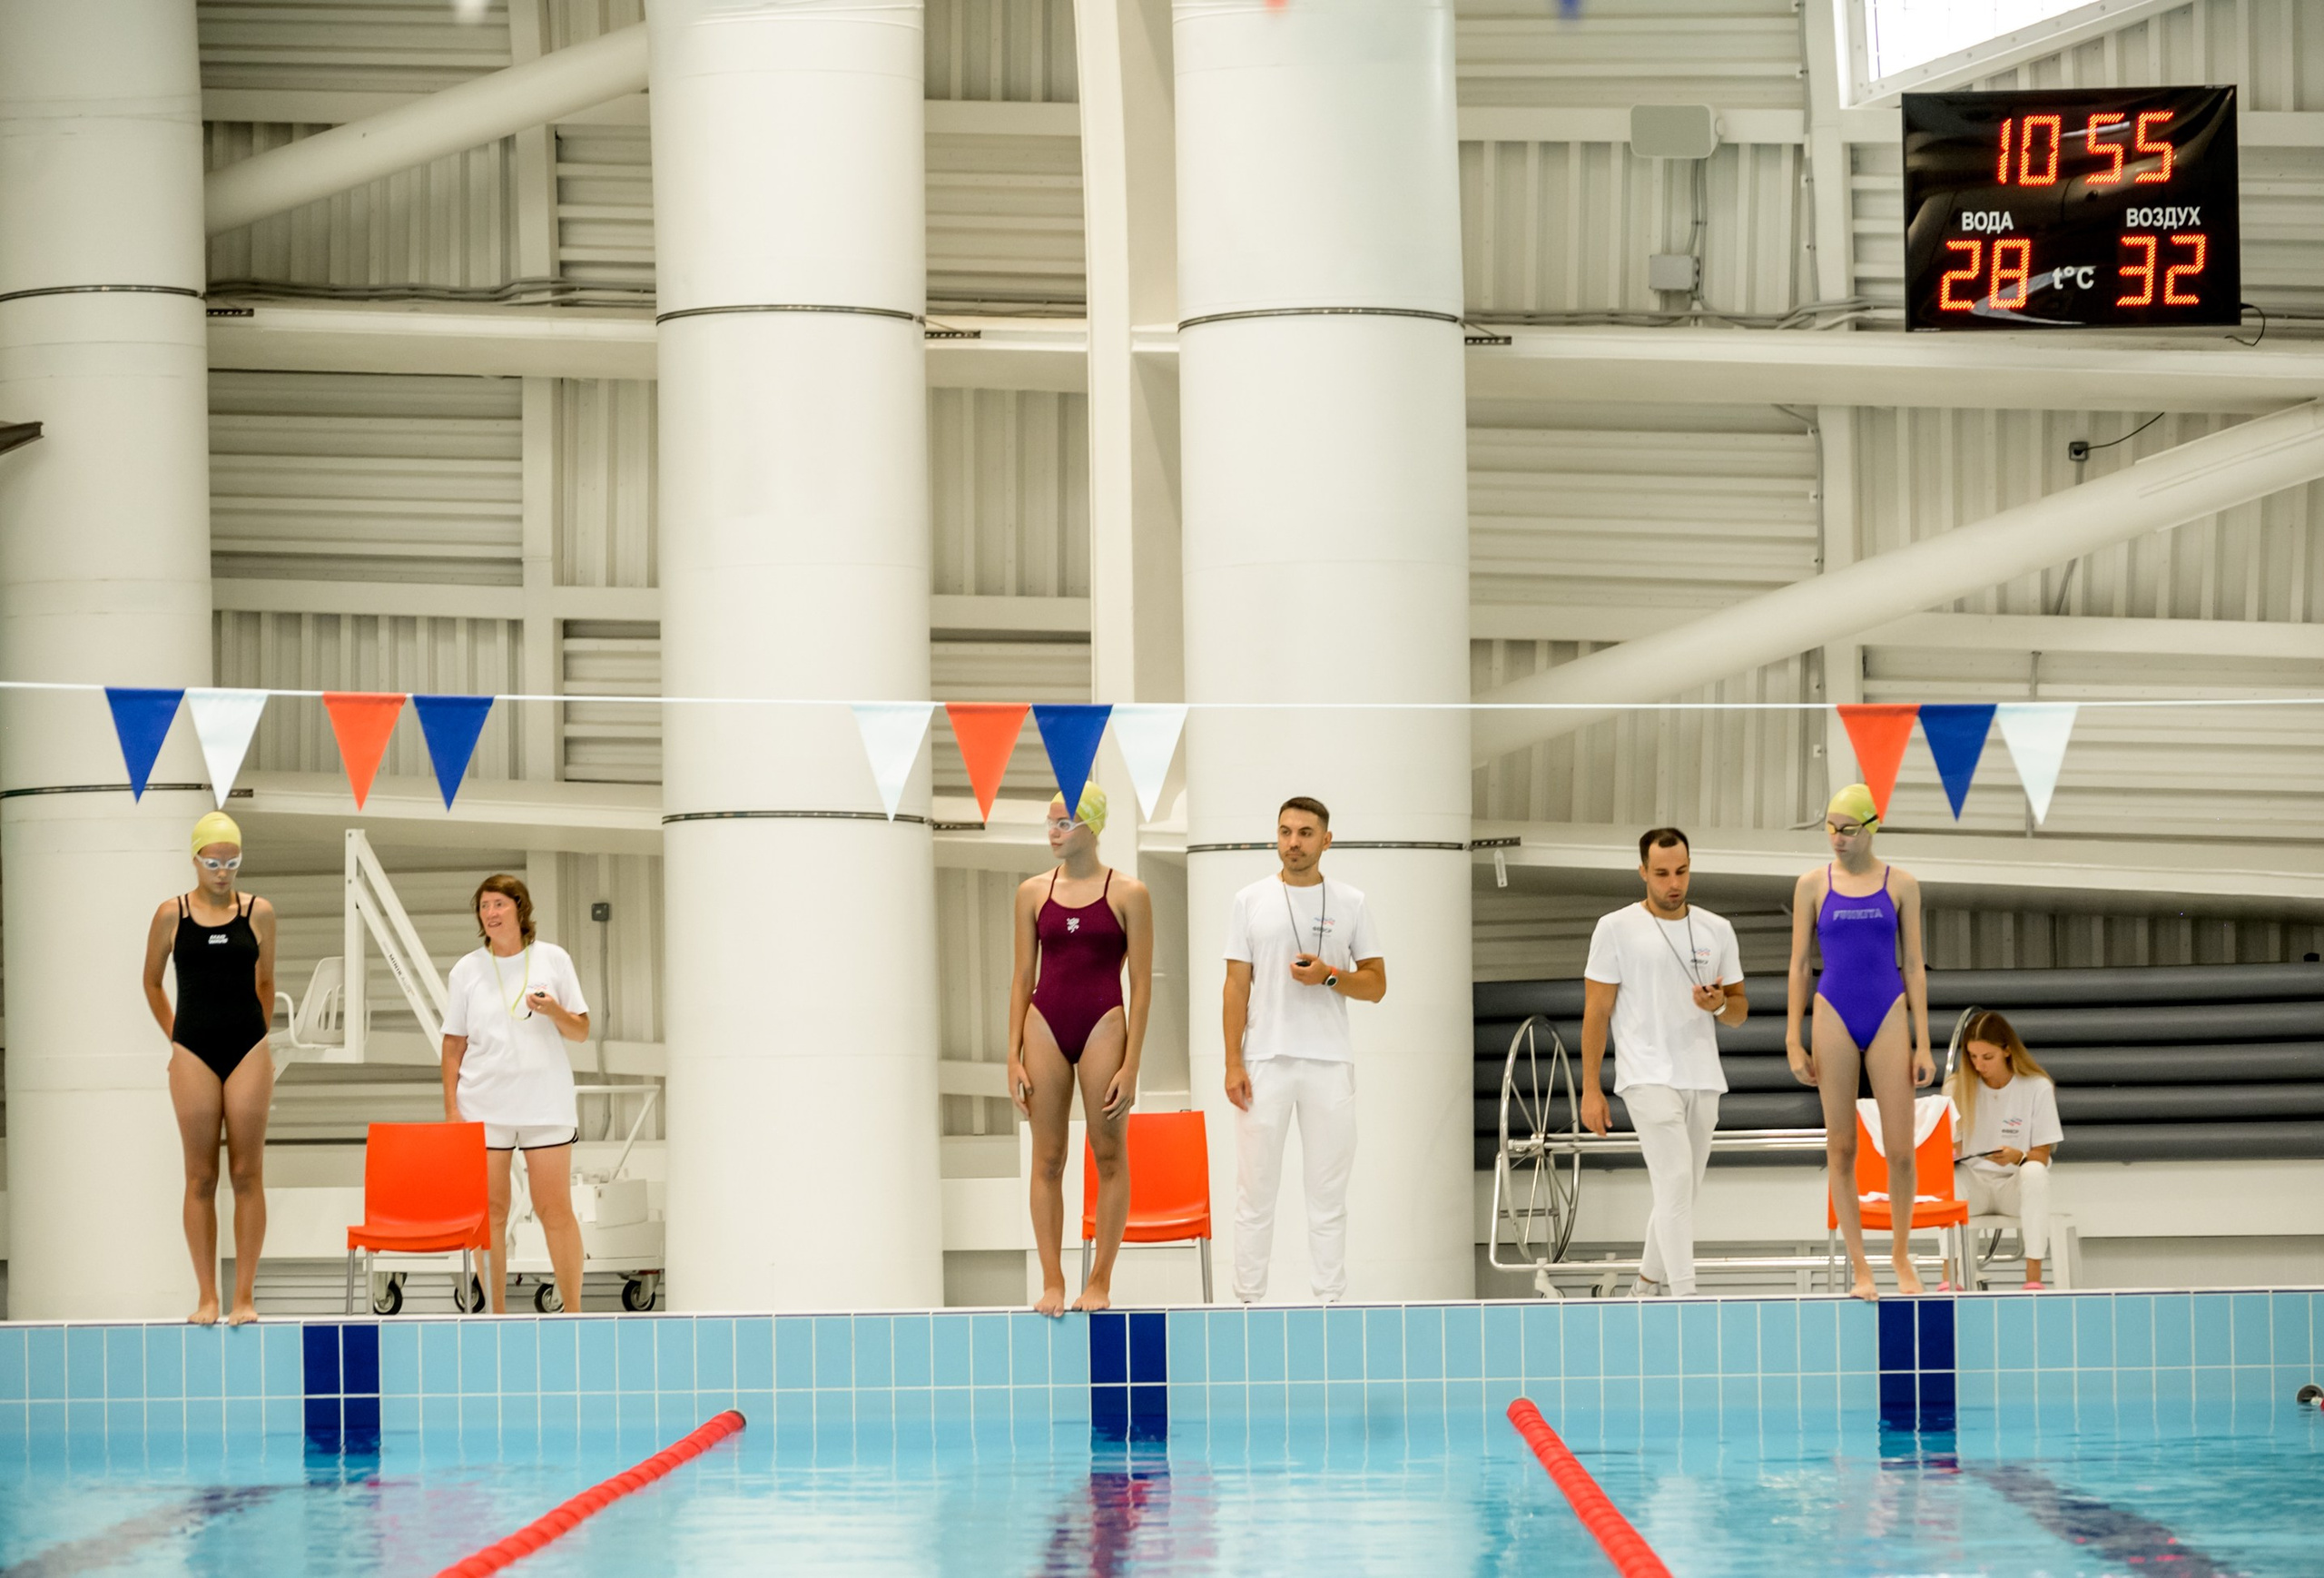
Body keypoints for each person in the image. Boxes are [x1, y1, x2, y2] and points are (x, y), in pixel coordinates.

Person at [1221, 796, 1386, 1304]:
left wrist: (1330, 976)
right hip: (1263, 1061)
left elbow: (1376, 985)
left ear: (1326, 841)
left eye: (1306, 833)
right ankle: (1247, 1303)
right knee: (1254, 1193)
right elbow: (1235, 986)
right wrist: (1232, 1062)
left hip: (1329, 1063)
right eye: (1286, 832)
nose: (1294, 842)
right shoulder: (1249, 900)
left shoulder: (1351, 902)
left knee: (1328, 1196)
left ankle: (1330, 1302)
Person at [1008, 785, 1155, 1318]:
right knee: (1047, 1159)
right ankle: (1052, 1280)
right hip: (1044, 1023)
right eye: (1050, 822)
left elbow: (1142, 985)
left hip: (1104, 1024)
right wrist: (1012, 1054)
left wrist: (1132, 1065)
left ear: (1092, 827)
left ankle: (1100, 1279)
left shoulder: (1129, 893)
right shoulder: (1032, 892)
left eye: (1064, 823)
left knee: (1109, 1154)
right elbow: (1022, 976)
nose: (1053, 832)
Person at [1581, 828, 1748, 1297]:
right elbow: (1596, 1012)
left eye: (1681, 871)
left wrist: (1718, 1004)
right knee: (1674, 1180)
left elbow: (1738, 1012)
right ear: (1642, 872)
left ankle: (1644, 1285)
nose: (1673, 883)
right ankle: (1685, 1297)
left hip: (1703, 1075)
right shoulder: (1615, 928)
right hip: (1645, 1073)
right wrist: (1591, 1088)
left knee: (1682, 1192)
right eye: (1661, 873)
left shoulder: (1717, 929)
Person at [1786, 783, 1935, 1301]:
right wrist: (1793, 1038)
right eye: (1830, 827)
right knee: (1842, 1147)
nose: (1837, 837)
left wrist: (1923, 1042)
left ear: (1871, 827)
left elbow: (1913, 965)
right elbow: (1799, 965)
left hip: (1888, 1011)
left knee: (1901, 1151)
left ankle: (1899, 1254)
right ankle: (1861, 1267)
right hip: (1833, 1012)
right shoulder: (1811, 885)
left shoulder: (1902, 884)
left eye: (1847, 829)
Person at [142, 811, 277, 1326]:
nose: (223, 872)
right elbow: (152, 982)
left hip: (248, 1049)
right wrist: (177, 1039)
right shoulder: (171, 915)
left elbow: (266, 983)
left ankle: (243, 1297)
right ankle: (207, 1297)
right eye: (213, 862)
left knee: (246, 1173)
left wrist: (257, 1039)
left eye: (232, 862)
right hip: (193, 1051)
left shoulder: (259, 913)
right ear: (195, 859)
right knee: (200, 1176)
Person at [440, 874, 588, 1316]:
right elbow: (453, 1043)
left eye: (499, 904)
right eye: (484, 905)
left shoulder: (553, 959)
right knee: (491, 1212)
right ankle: (497, 1315)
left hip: (545, 1105)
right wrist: (452, 1109)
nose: (490, 912)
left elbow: (581, 1031)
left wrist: (554, 1009)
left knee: (554, 1209)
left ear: (520, 908)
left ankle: (576, 1313)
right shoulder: (466, 970)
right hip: (484, 1106)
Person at [1949, 1010, 2062, 1289]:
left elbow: (2042, 1154)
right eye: (1973, 1057)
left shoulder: (2037, 1087)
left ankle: (2033, 1278)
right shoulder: (1957, 1086)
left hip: (2013, 1187)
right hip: (1975, 1188)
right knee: (1948, 1174)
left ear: (2007, 1051)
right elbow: (1951, 1149)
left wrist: (2018, 1157)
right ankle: (1949, 1277)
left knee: (2034, 1172)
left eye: (1987, 1057)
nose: (1979, 1065)